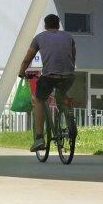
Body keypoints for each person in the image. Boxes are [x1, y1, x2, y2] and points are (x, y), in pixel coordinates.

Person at [18, 14, 76, 152]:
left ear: (45, 25)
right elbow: (73, 56)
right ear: (58, 25)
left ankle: (39, 138)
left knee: (38, 99)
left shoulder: (39, 38)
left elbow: (27, 59)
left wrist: (22, 72)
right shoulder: (69, 37)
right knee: (61, 95)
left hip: (49, 77)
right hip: (69, 76)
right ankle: (68, 117)